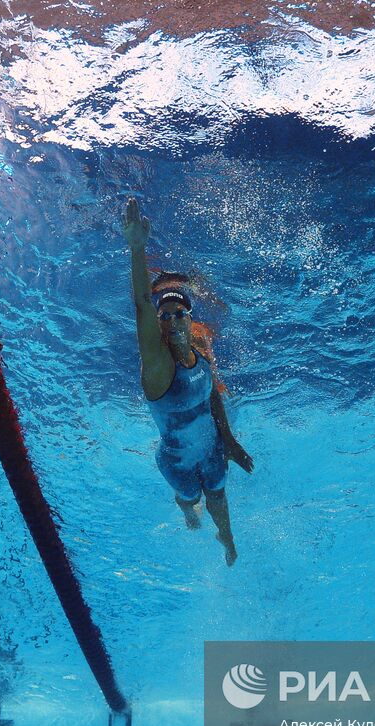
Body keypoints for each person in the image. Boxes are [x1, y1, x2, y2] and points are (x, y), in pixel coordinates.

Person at [123, 197, 252, 565]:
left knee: (218, 498)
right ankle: (185, 511)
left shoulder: (200, 353)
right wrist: (138, 248)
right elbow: (141, 307)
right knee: (191, 498)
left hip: (212, 450)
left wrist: (229, 440)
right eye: (166, 316)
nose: (173, 320)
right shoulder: (158, 369)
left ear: (189, 319)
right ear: (159, 324)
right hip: (177, 463)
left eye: (180, 313)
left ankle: (226, 539)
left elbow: (212, 398)